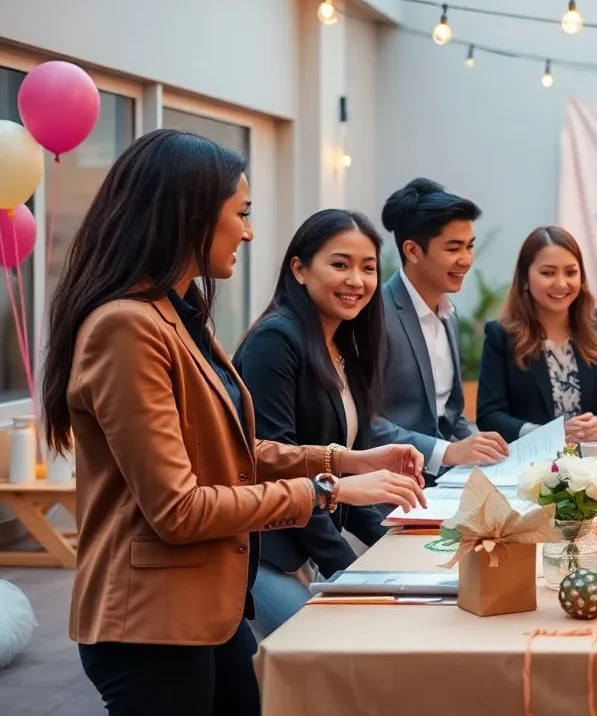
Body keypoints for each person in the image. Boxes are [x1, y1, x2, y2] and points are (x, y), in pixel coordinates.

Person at [40, 129, 426, 716]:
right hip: (151, 623)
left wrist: (346, 460)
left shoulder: (179, 312)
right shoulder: (127, 327)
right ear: (188, 213)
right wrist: (328, 491)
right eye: (240, 214)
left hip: (208, 608)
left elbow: (233, 451)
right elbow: (179, 509)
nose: (248, 231)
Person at [233, 209, 393, 638]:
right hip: (266, 549)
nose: (356, 280)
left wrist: (391, 545)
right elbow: (274, 460)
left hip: (307, 544)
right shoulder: (276, 340)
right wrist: (347, 568)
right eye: (340, 264)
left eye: (368, 267)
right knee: (332, 654)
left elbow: (343, 469)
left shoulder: (344, 344)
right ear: (300, 269)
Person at [372, 178, 508, 481]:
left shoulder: (448, 314)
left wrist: (478, 445)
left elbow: (449, 412)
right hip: (389, 487)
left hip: (445, 481)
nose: (466, 259)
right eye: (453, 248)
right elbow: (364, 422)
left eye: (470, 246)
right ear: (412, 250)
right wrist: (446, 452)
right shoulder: (376, 315)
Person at [476, 226, 597, 447]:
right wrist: (545, 434)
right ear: (525, 278)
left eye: (570, 272)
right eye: (548, 273)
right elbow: (489, 415)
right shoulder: (502, 334)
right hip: (531, 468)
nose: (561, 283)